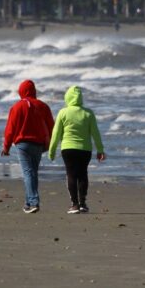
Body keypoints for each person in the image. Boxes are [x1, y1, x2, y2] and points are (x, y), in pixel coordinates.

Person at [48, 86, 105, 214]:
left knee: (71, 174)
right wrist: (100, 150)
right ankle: (83, 203)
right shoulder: (88, 113)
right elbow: (95, 133)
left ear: (67, 98)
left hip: (68, 149)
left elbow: (55, 134)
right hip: (85, 150)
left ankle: (74, 204)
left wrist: (51, 151)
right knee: (83, 174)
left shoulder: (63, 112)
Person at [2, 80, 54, 214]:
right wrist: (50, 144)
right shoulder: (43, 106)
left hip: (22, 144)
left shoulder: (16, 107)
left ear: (21, 91)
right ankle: (28, 203)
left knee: (28, 173)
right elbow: (51, 126)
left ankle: (34, 202)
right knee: (32, 173)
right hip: (39, 144)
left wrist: (6, 146)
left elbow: (10, 129)